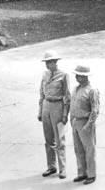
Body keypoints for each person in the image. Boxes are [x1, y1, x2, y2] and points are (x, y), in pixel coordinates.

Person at [37, 50, 71, 179]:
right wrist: (40, 110)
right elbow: (41, 93)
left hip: (58, 106)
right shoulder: (45, 74)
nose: (47, 64)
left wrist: (65, 114)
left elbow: (67, 96)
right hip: (46, 105)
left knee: (60, 139)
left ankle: (62, 169)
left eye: (49, 62)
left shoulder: (63, 75)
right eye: (46, 62)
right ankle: (51, 166)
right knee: (48, 139)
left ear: (55, 62)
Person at [70, 64, 100, 185]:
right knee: (78, 149)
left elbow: (95, 110)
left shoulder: (92, 90)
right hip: (76, 122)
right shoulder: (76, 89)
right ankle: (82, 173)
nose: (76, 77)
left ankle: (91, 174)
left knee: (89, 149)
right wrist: (72, 119)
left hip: (85, 122)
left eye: (79, 75)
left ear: (85, 76)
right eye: (76, 75)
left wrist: (88, 125)